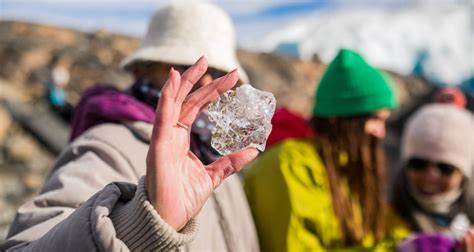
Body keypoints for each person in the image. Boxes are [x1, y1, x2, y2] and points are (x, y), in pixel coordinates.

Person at [1, 3, 260, 251]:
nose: (205, 81)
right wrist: (140, 226)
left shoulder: (217, 157)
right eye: (187, 66)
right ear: (141, 71)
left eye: (216, 72)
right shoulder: (107, 144)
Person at [244, 49, 410, 251]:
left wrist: (413, 243)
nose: (381, 132)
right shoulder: (289, 165)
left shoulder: (344, 166)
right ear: (338, 118)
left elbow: (385, 225)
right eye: (375, 119)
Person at [391, 104, 474, 251]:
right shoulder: (378, 216)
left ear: (464, 173)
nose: (431, 176)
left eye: (446, 168)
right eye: (419, 164)